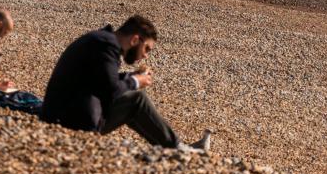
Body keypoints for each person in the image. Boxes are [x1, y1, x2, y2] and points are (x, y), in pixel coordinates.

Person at [41, 15, 211, 151]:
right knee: (136, 99)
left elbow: (100, 81)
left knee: (134, 95)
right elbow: (110, 89)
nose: (145, 56)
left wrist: (129, 76)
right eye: (147, 49)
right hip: (69, 123)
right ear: (135, 40)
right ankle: (177, 148)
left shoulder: (101, 40)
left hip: (63, 114)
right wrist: (135, 81)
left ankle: (175, 146)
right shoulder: (107, 46)